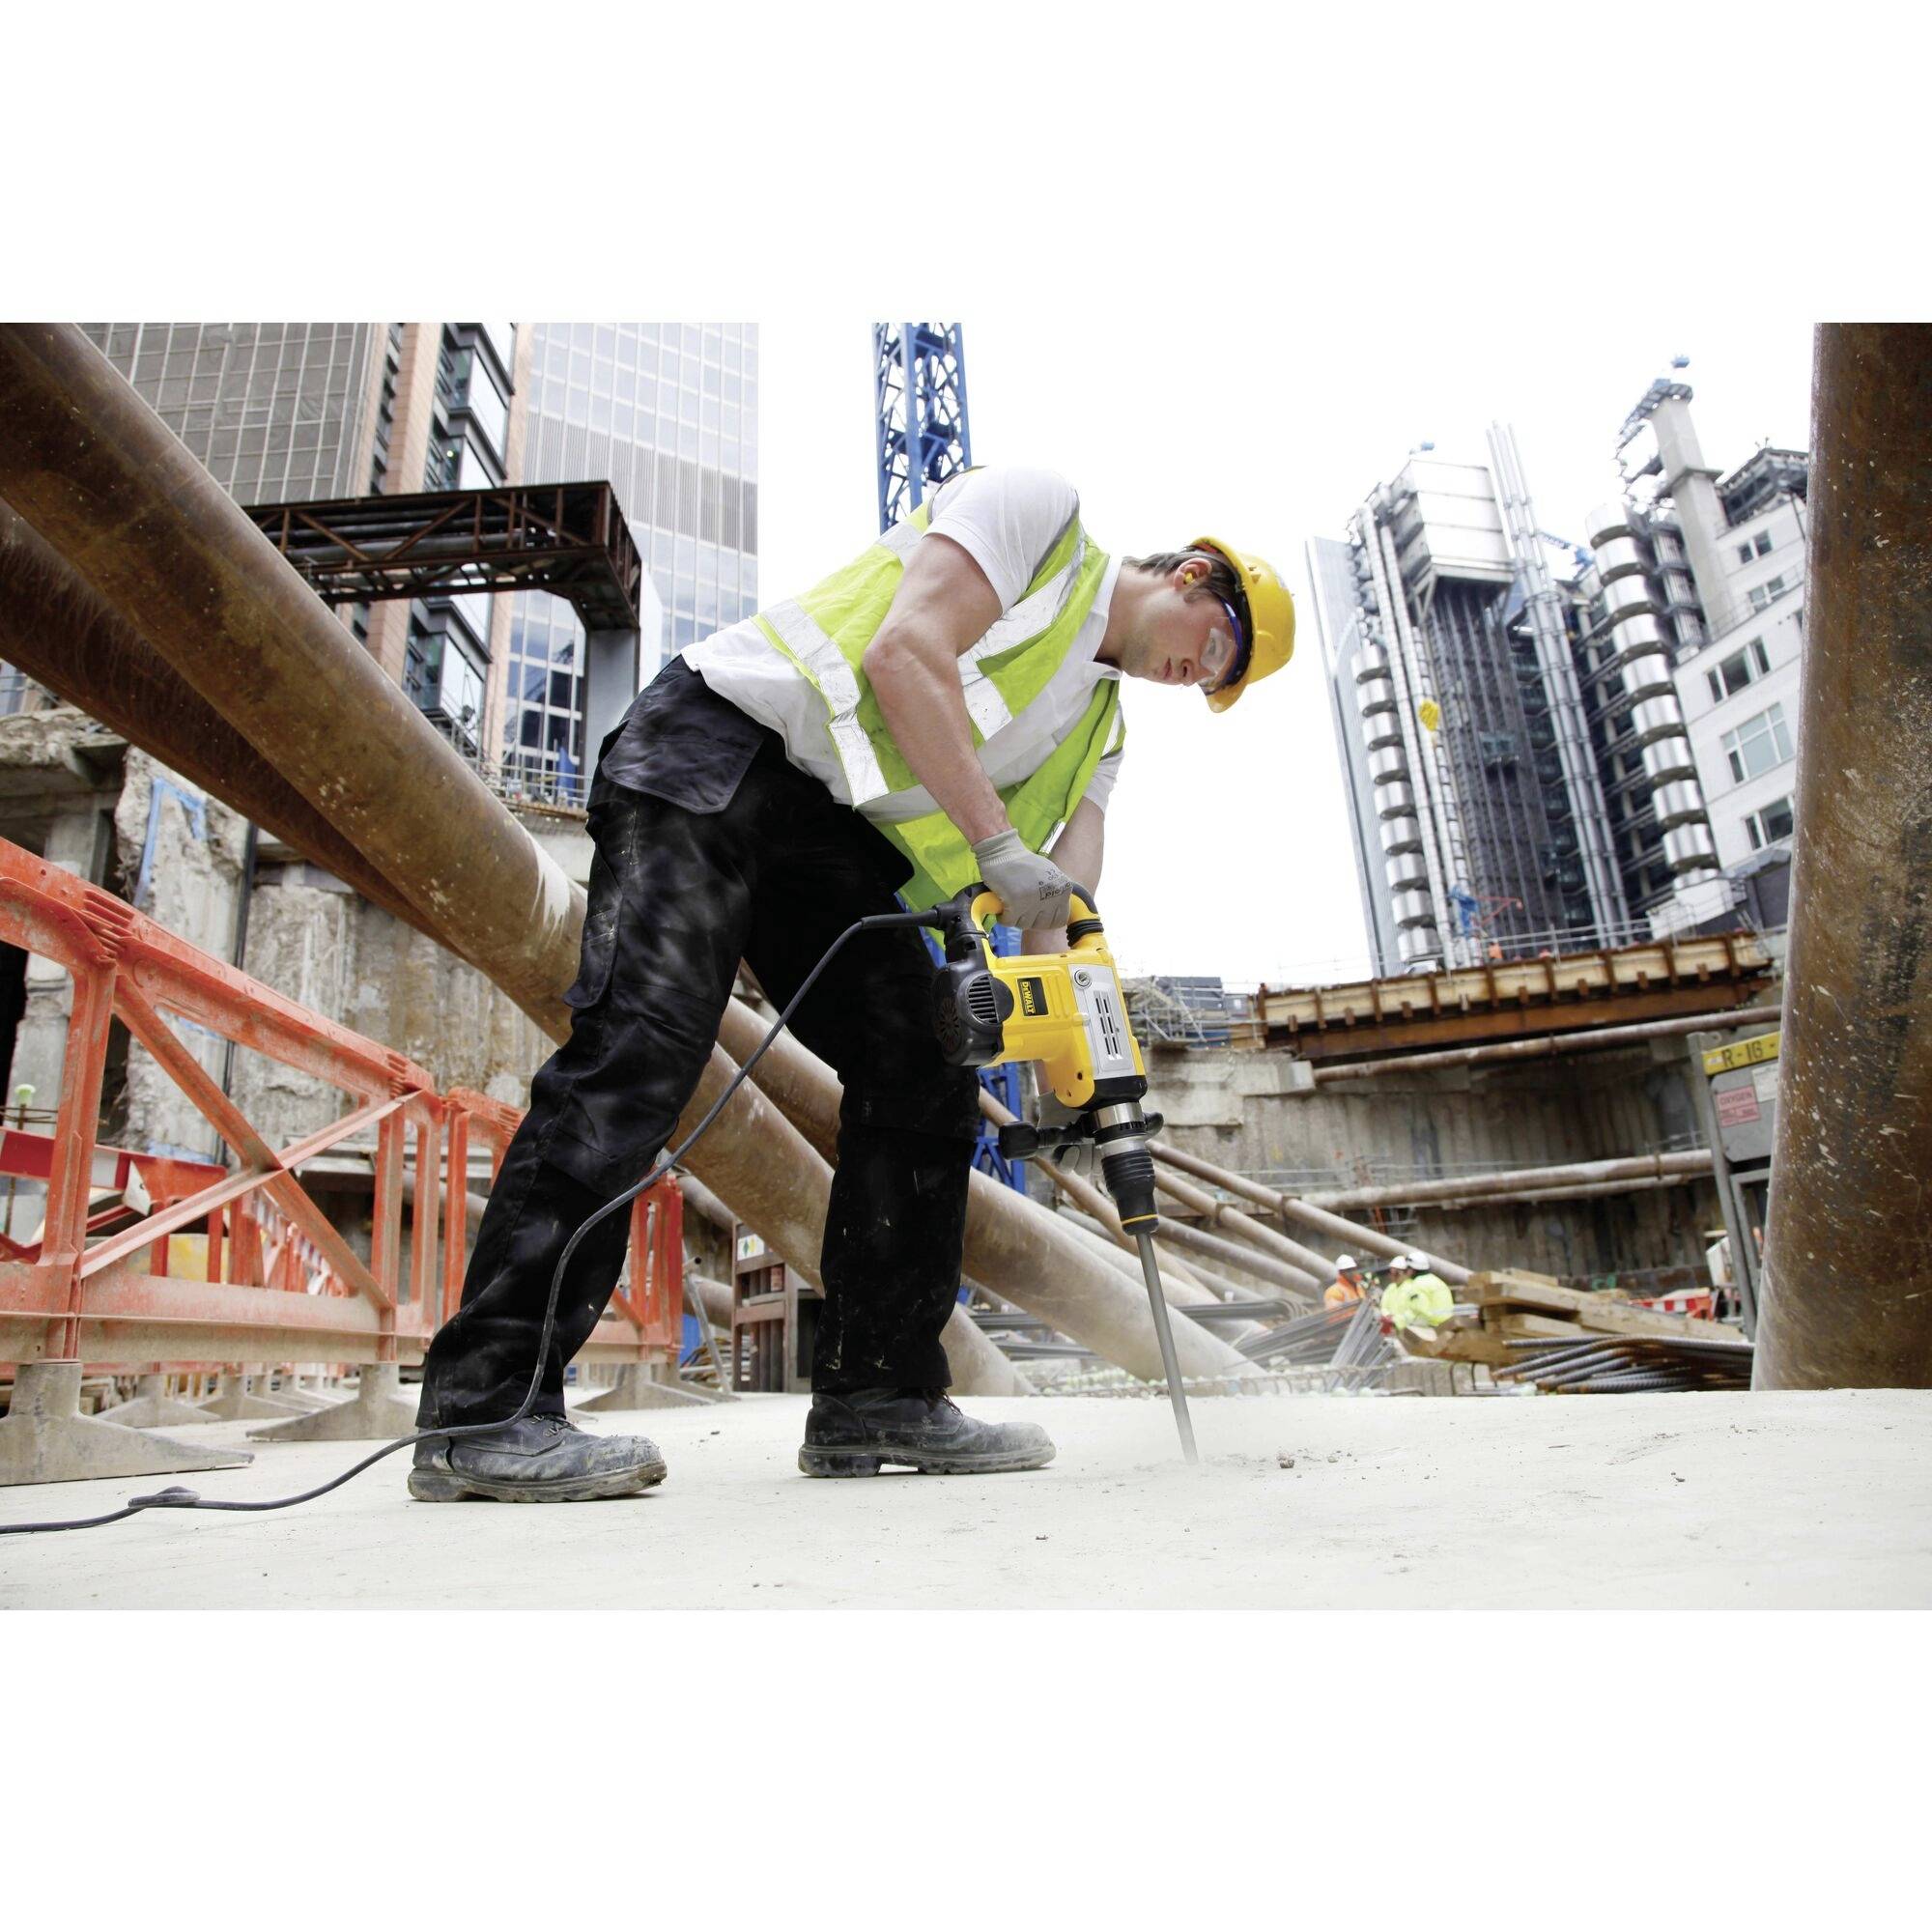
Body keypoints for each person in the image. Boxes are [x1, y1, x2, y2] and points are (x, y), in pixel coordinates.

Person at [410, 465, 1295, 1501]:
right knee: (643, 1045)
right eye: (1216, 650)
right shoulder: (1039, 517)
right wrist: (998, 843)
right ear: (1193, 577)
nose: (1195, 674)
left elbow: (1060, 902)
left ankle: (878, 1394)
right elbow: (902, 650)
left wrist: (1071, 1047)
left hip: (829, 837)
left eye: (1213, 683)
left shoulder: (1101, 731)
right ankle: (485, 1408)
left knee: (919, 1072)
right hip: (717, 742)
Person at [1379, 1253, 1455, 1337]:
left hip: (1431, 1328)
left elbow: (1417, 1312)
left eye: (1406, 1270)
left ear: (1412, 1270)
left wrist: (1395, 1321)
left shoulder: (1418, 1285)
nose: (1405, 1272)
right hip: (1447, 1325)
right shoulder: (1436, 1281)